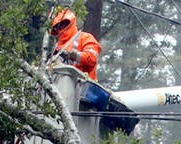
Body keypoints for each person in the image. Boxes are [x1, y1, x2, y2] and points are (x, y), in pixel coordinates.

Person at [48, 6, 139, 136]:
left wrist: (74, 55)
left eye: (63, 24)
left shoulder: (84, 38)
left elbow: (92, 59)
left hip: (83, 89)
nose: (60, 29)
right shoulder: (56, 47)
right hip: (61, 91)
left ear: (70, 22)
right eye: (57, 27)